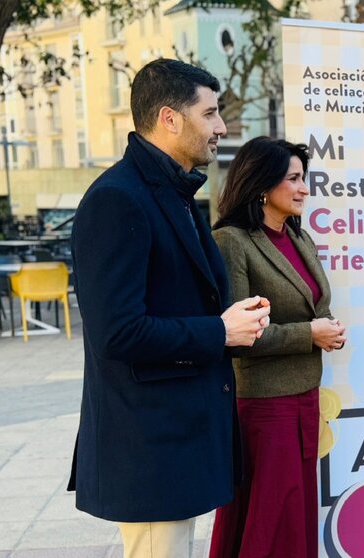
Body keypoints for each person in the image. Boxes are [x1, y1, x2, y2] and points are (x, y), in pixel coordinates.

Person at [68, 58, 272, 557]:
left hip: (177, 439)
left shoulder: (173, 192)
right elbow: (117, 333)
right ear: (169, 118)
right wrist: (217, 332)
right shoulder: (118, 199)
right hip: (149, 446)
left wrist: (235, 321)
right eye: (210, 114)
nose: (222, 126)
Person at [208, 137, 346, 558]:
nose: (304, 188)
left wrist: (327, 329)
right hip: (265, 408)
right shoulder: (233, 241)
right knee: (268, 520)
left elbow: (311, 305)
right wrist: (310, 333)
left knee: (296, 515)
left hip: (305, 400)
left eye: (304, 179)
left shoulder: (298, 238)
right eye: (294, 179)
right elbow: (238, 334)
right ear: (263, 184)